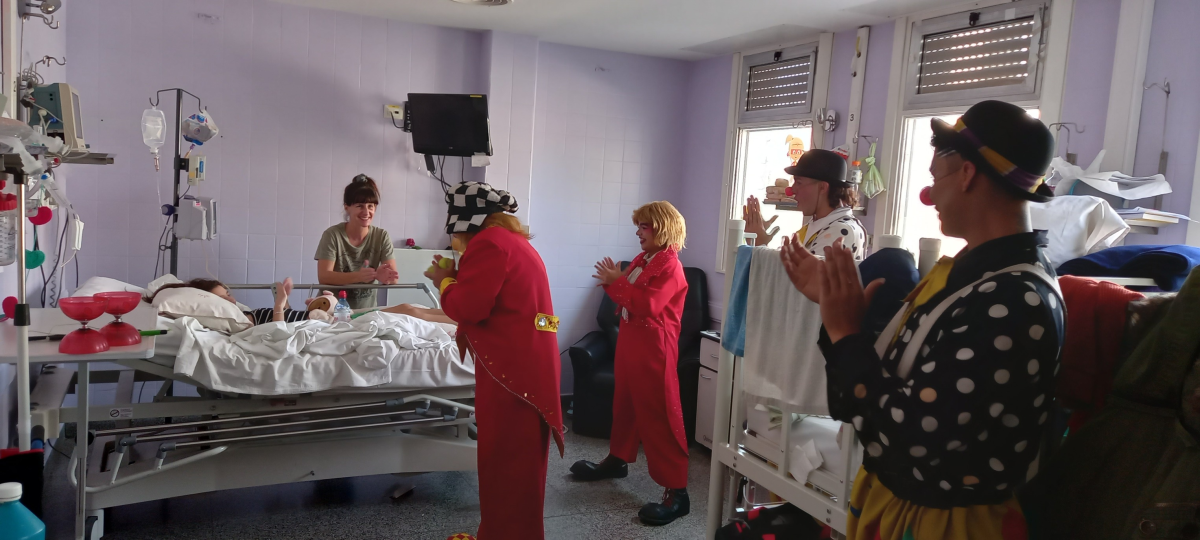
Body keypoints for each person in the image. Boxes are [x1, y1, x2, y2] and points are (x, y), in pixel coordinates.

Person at [780, 100, 1065, 539]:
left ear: (967, 174)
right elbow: (888, 386)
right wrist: (840, 314)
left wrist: (846, 332)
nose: (929, 197)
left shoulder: (1014, 298)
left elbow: (914, 436)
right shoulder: (969, 274)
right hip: (908, 507)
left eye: (935, 179)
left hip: (948, 524)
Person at [424, 181, 563, 540]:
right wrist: (456, 277)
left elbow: (470, 308)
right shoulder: (515, 242)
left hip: (513, 376)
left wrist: (444, 282)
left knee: (506, 465)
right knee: (520, 466)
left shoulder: (488, 244)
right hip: (530, 365)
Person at [571, 201, 692, 526]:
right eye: (638, 226)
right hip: (631, 342)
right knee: (624, 405)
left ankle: (678, 493)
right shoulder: (644, 259)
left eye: (644, 226)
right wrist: (613, 281)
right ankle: (617, 460)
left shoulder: (670, 266)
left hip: (654, 349)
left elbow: (649, 305)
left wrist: (616, 281)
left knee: (660, 415)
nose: (638, 232)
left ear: (662, 227)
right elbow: (628, 298)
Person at [146, 277, 453, 326]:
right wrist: (280, 305)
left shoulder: (242, 312)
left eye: (228, 292)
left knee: (411, 308)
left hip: (328, 319)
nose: (231, 297)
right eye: (224, 295)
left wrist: (293, 304)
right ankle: (463, 320)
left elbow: (289, 322)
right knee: (409, 310)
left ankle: (460, 317)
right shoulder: (241, 323)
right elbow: (275, 335)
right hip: (334, 327)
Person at [743, 148, 867, 260]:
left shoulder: (840, 231)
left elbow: (803, 275)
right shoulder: (819, 224)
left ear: (822, 187)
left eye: (799, 182)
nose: (792, 190)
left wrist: (760, 244)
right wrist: (762, 243)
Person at [315, 174, 401, 310]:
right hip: (331, 310)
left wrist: (383, 277)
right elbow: (324, 277)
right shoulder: (332, 235)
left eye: (371, 206)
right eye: (360, 206)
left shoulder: (382, 236)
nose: (366, 212)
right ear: (347, 207)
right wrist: (358, 276)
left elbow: (394, 279)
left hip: (366, 312)